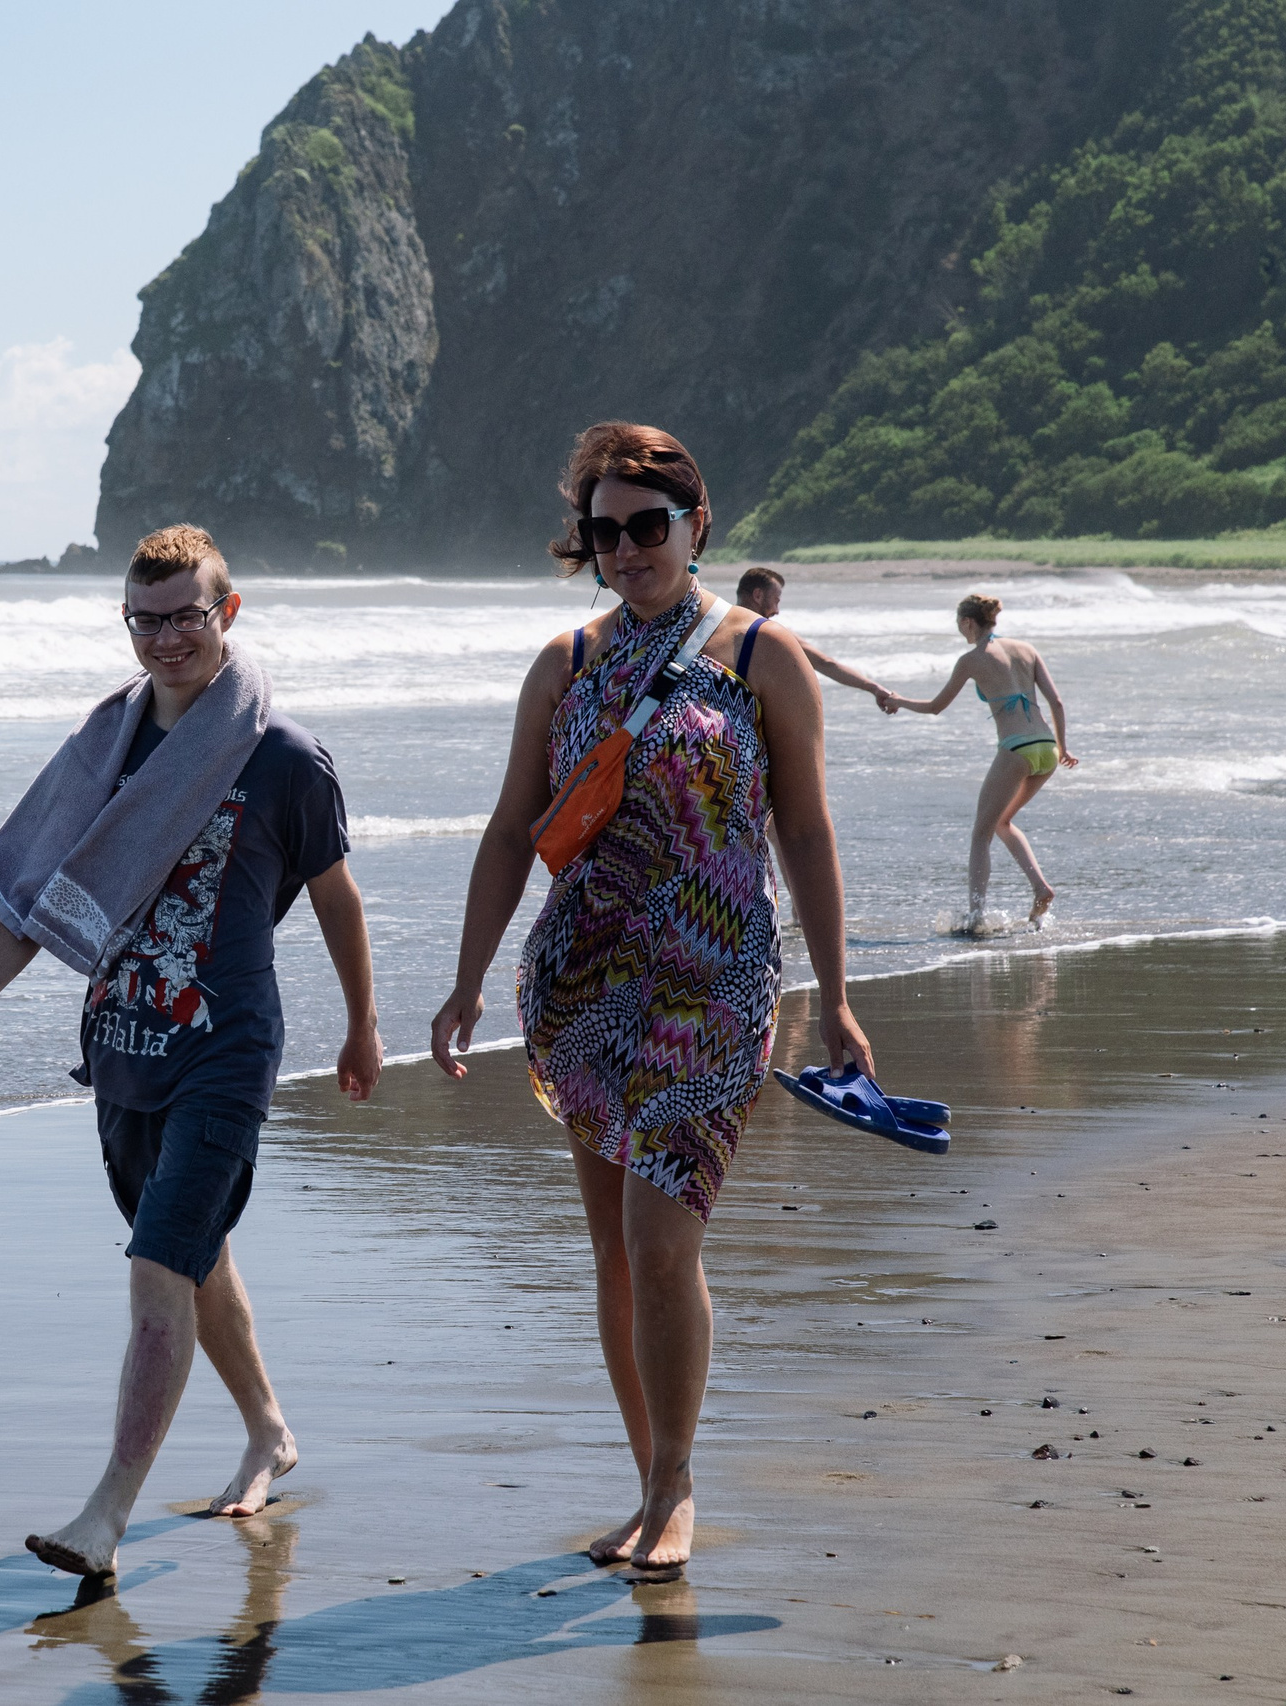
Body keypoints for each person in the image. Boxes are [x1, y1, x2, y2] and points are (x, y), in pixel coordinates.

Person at [428, 423, 871, 1578]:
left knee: (660, 1240)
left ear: (695, 523)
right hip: (581, 985)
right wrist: (469, 975)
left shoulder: (762, 654)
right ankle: (645, 1481)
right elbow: (509, 828)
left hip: (713, 987)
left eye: (646, 525)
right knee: (615, 1255)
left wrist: (835, 990)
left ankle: (674, 1487)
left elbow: (807, 832)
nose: (624, 549)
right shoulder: (563, 664)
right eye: (602, 530)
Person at [0, 523, 383, 1579]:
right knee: (191, 1253)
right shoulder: (106, 749)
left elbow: (335, 892)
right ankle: (271, 1430)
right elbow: (37, 910)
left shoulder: (282, 755)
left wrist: (364, 1023)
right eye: (145, 619)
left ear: (226, 612)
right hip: (123, 1046)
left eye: (186, 613)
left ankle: (103, 1517)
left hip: (224, 1048)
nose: (166, 637)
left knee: (155, 1265)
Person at [880, 592, 1077, 928]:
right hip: (1047, 747)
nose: (960, 630)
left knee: (980, 834)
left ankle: (976, 915)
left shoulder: (971, 659)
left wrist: (899, 700)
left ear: (968, 622)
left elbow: (936, 706)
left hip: (1016, 748)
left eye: (960, 624)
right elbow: (1056, 702)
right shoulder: (1026, 649)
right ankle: (1040, 887)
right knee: (1002, 822)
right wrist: (1064, 747)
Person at [733, 566, 897, 709]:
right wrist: (873, 688)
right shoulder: (771, 634)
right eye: (776, 600)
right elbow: (824, 663)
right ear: (758, 595)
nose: (777, 611)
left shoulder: (717, 627)